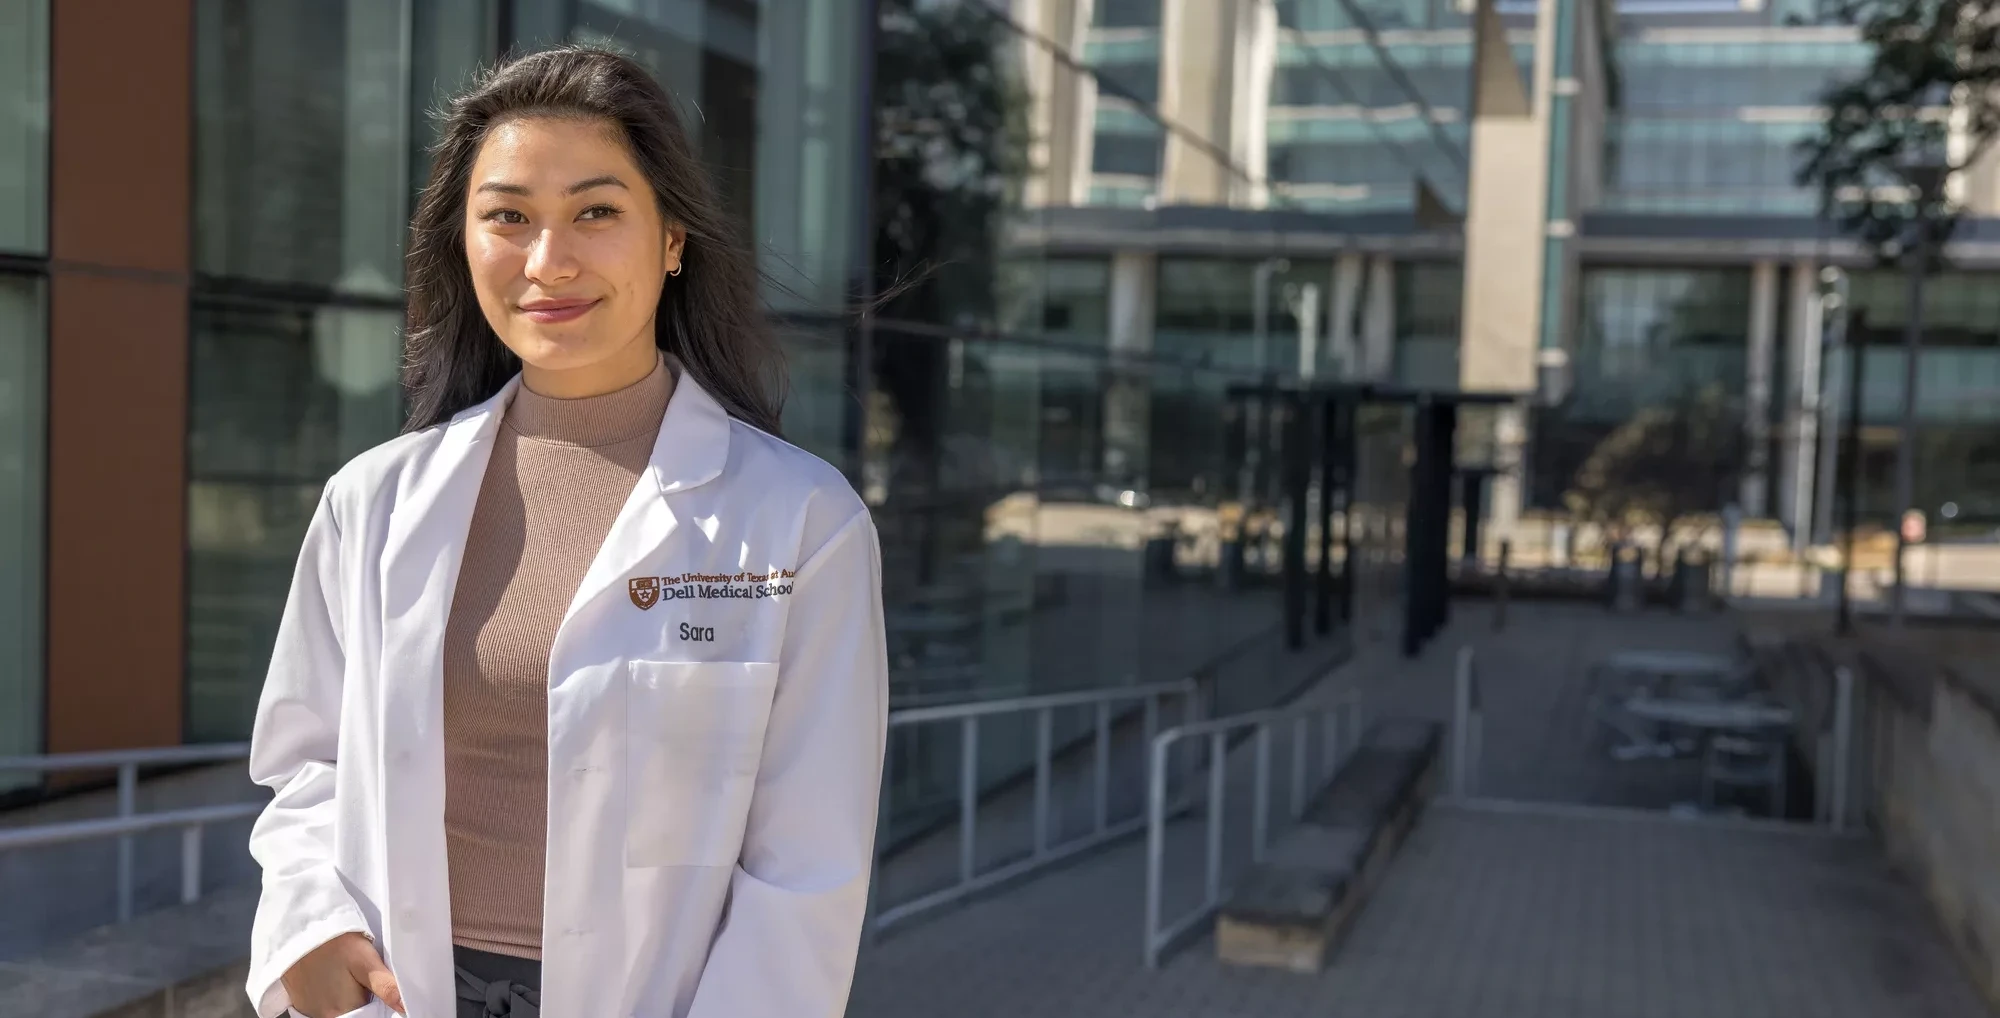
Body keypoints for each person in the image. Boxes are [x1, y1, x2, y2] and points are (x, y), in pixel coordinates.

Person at [243, 45, 888, 1018]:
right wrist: (308, 924)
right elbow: (308, 761)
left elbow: (804, 866)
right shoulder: (373, 502)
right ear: (463, 242)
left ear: (672, 236)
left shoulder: (799, 521)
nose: (549, 261)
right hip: (399, 995)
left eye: (595, 211)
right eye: (507, 216)